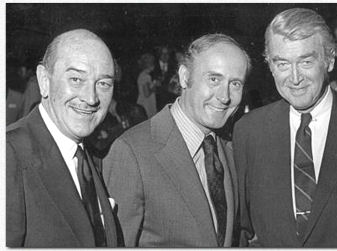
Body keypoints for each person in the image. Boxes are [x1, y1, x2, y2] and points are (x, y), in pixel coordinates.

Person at [233, 8, 337, 247]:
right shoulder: (249, 132)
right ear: (269, 65)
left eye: (306, 61)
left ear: (329, 60)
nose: (294, 78)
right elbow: (241, 229)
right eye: (282, 63)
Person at [103, 33, 251, 247]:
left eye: (235, 83)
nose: (225, 96)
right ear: (184, 77)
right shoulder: (131, 152)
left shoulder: (230, 150)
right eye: (213, 79)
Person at [6, 29, 121, 247]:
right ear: (44, 80)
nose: (91, 98)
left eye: (103, 83)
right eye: (76, 79)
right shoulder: (9, 154)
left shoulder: (87, 155)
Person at [136, 53, 160, 118]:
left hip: (144, 103)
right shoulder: (146, 77)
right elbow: (147, 93)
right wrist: (154, 85)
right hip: (147, 104)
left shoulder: (142, 75)